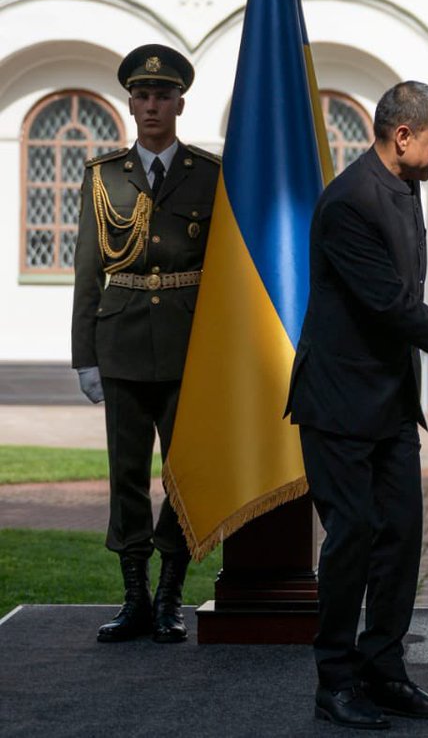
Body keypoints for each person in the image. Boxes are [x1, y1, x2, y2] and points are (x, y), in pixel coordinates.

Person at [284, 81, 428, 730]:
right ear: (404, 136)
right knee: (353, 538)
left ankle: (384, 673)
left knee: (400, 541)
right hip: (337, 403)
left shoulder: (403, 187)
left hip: (388, 404)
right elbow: (391, 306)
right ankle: (335, 683)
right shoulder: (351, 202)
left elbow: (398, 307)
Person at [71, 44, 221, 644]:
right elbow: (87, 271)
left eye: (162, 95)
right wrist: (84, 355)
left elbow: (222, 272)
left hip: (188, 349)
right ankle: (134, 596)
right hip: (123, 345)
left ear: (180, 102)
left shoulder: (209, 176)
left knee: (183, 477)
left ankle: (169, 596)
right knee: (126, 476)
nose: (152, 105)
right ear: (130, 104)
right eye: (142, 95)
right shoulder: (103, 176)